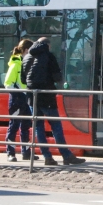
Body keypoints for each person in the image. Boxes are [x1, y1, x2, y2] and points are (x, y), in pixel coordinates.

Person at [23, 37, 85, 166]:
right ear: (48, 45)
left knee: (38, 128)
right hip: (47, 96)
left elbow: (23, 80)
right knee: (56, 126)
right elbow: (57, 76)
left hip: (32, 97)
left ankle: (47, 157)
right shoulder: (49, 56)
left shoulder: (27, 57)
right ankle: (66, 155)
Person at [3, 39, 33, 162]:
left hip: (26, 98)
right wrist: (20, 91)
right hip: (17, 99)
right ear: (26, 50)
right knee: (14, 126)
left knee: (26, 126)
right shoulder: (16, 64)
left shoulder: (26, 63)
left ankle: (25, 152)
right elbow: (8, 83)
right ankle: (10, 152)